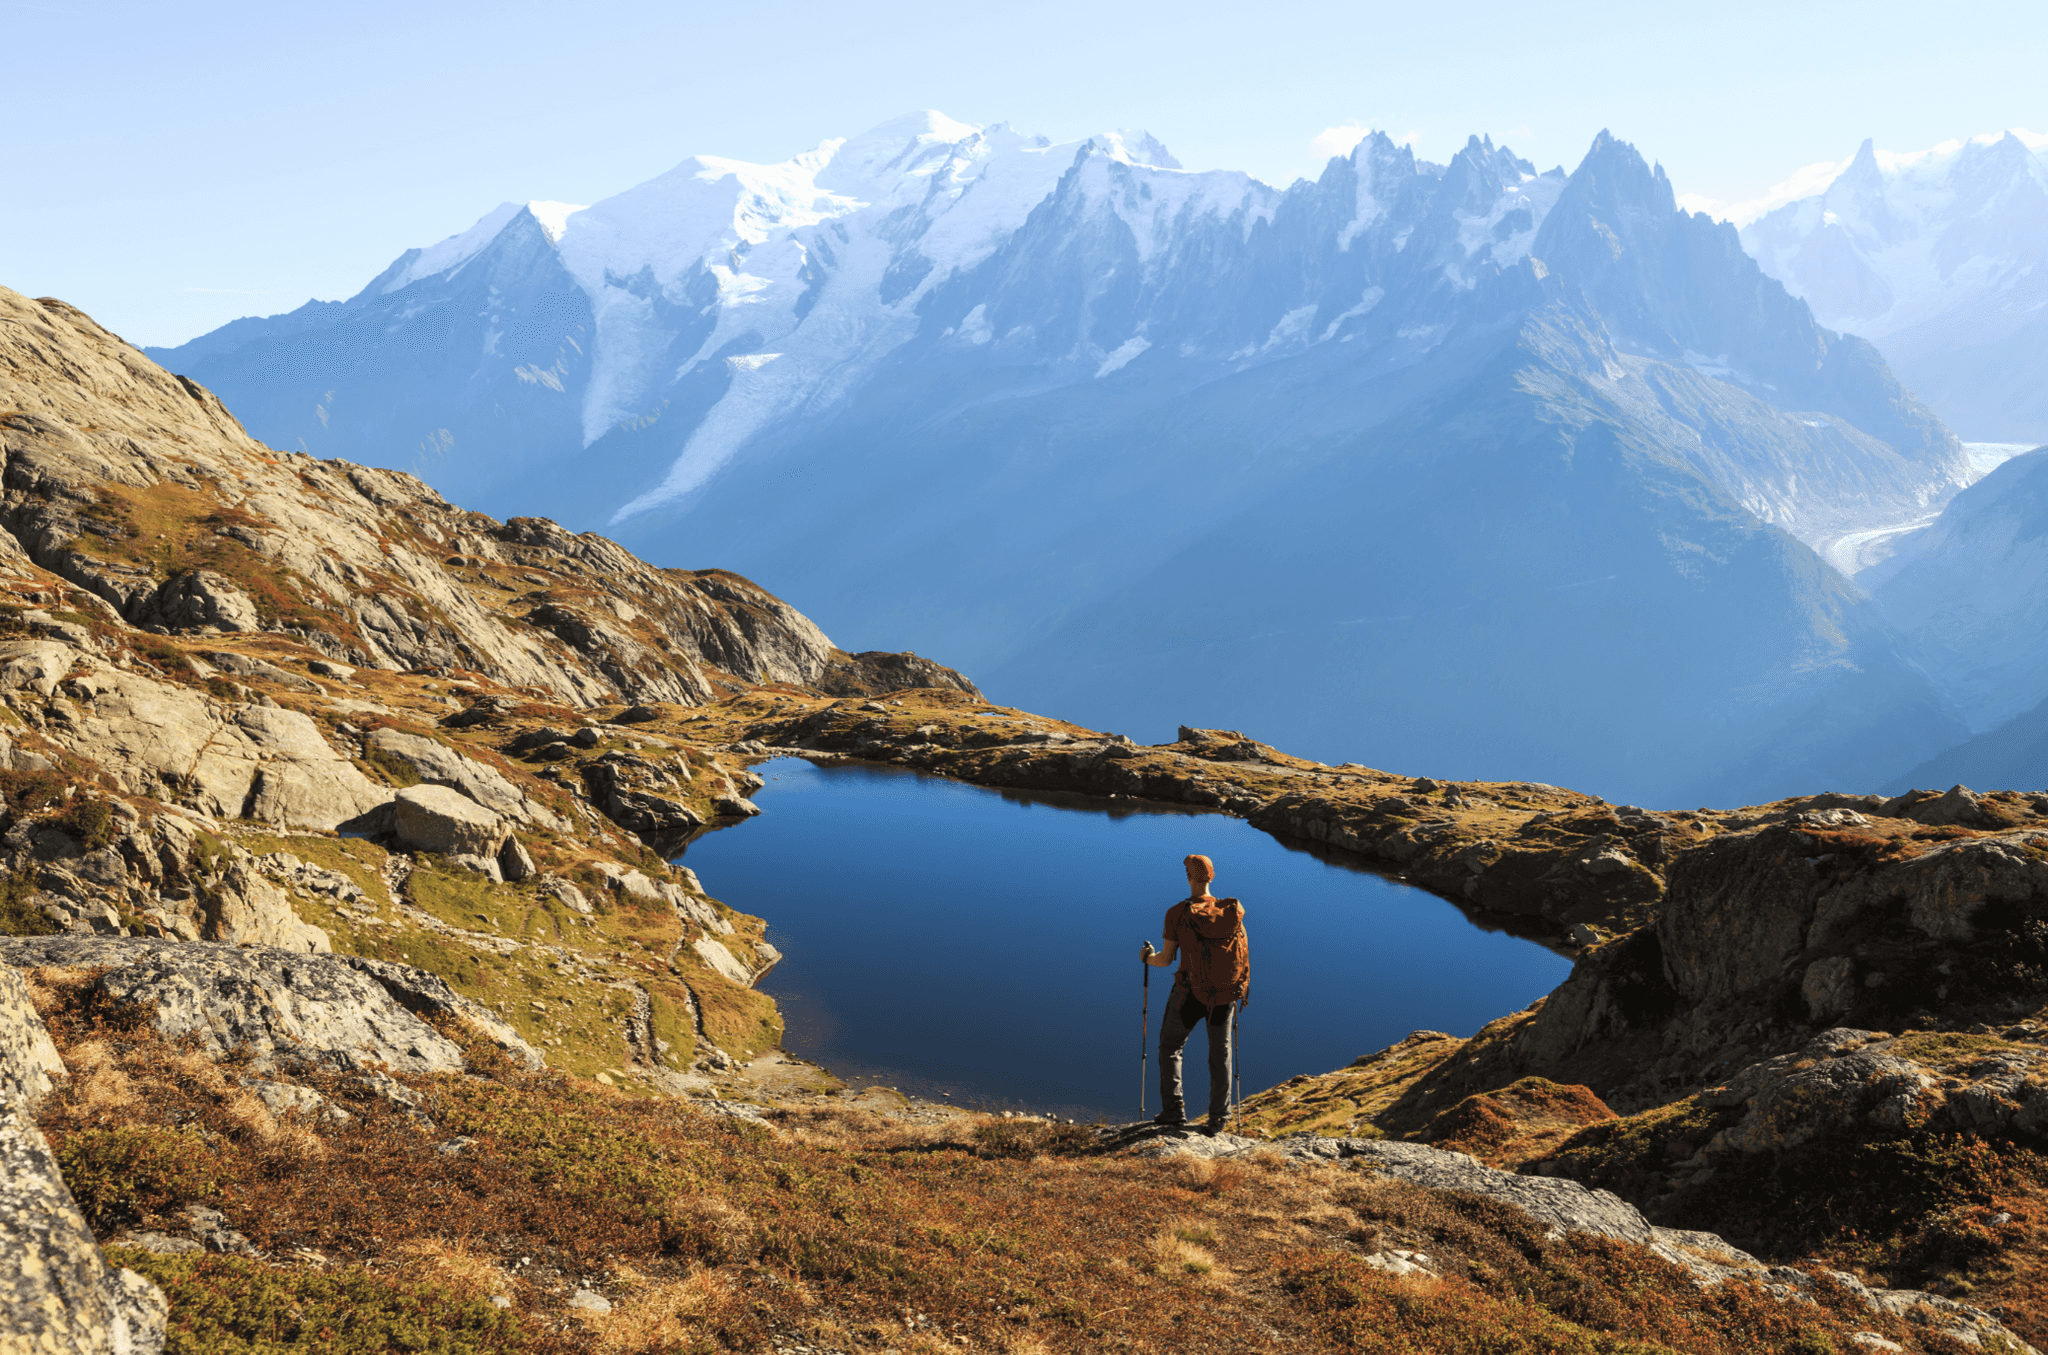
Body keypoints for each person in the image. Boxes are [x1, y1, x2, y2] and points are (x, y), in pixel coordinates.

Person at [1141, 853, 1249, 1135]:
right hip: (1224, 996)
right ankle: (1218, 1119)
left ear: (1189, 878)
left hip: (1188, 993)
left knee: (1170, 1047)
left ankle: (1174, 1113)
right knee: (1220, 1054)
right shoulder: (1231, 913)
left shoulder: (1177, 912)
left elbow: (1165, 960)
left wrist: (1147, 958)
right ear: (1212, 877)